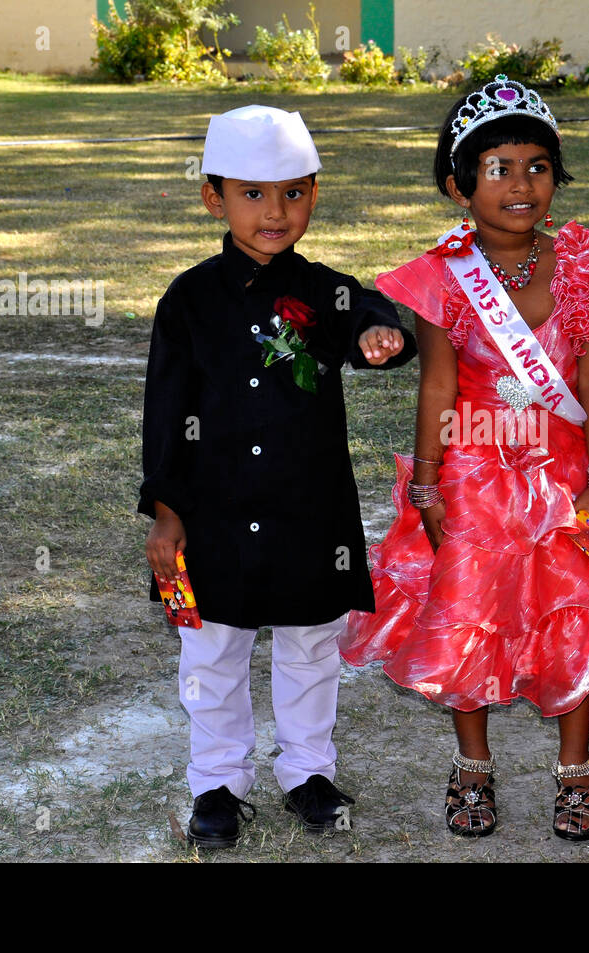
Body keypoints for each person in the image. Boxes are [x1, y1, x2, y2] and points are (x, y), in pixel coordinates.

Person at [339, 76, 589, 842]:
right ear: (457, 186)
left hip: (565, 473)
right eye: (498, 168)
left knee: (579, 612)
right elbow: (436, 382)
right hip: (471, 471)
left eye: (537, 165)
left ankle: (576, 768)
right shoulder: (443, 275)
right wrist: (426, 483)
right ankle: (473, 764)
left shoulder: (581, 267)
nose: (520, 184)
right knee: (469, 614)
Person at [139, 104, 417, 848]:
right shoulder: (189, 300)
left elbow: (364, 312)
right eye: (253, 194)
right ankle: (218, 783)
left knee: (309, 645)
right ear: (213, 197)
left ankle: (307, 772)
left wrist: (377, 332)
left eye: (294, 192)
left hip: (307, 513)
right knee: (214, 651)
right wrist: (168, 513)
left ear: (315, 194)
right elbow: (165, 416)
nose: (275, 211)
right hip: (213, 514)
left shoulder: (323, 290)